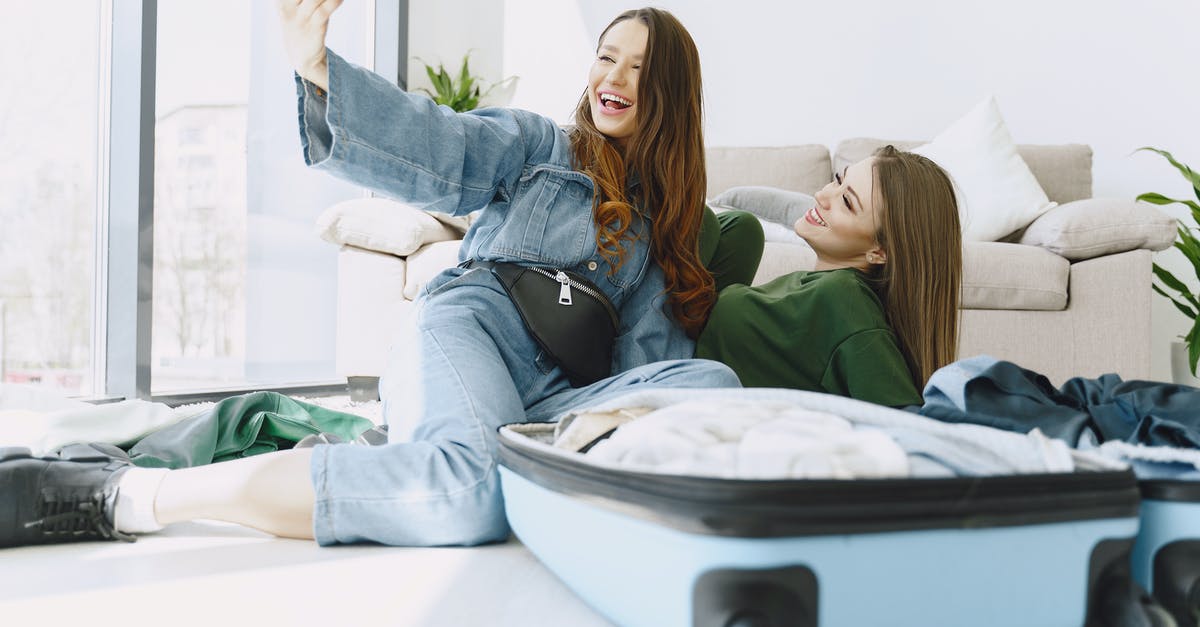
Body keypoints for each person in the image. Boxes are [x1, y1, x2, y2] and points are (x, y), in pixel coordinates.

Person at [0, 2, 743, 549]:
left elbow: (652, 377)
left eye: (639, 67)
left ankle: (438, 460)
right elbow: (443, 144)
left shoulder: (663, 234)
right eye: (607, 55)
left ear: (669, 94)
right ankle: (126, 494)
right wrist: (318, 68)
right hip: (475, 329)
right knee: (469, 494)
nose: (613, 76)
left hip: (556, 398)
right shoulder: (541, 147)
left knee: (714, 388)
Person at [695, 146, 963, 408]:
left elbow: (907, 417)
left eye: (846, 202)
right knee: (743, 228)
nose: (823, 195)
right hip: (681, 348)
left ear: (879, 251)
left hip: (675, 371)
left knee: (706, 221)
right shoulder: (820, 288)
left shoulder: (846, 299)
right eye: (837, 181)